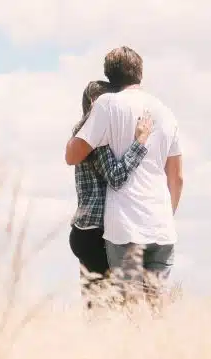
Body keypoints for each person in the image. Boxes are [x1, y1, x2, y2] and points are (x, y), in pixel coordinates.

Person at [65, 46, 184, 307]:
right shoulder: (165, 111)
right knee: (154, 306)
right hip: (158, 226)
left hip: (120, 228)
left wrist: (138, 142)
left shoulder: (106, 110)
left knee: (119, 307)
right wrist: (165, 213)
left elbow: (74, 156)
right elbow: (177, 178)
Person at [69, 80, 154, 309]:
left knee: (97, 307)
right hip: (95, 233)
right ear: (97, 104)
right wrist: (140, 142)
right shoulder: (96, 138)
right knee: (112, 307)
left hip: (86, 231)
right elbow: (116, 176)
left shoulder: (85, 134)